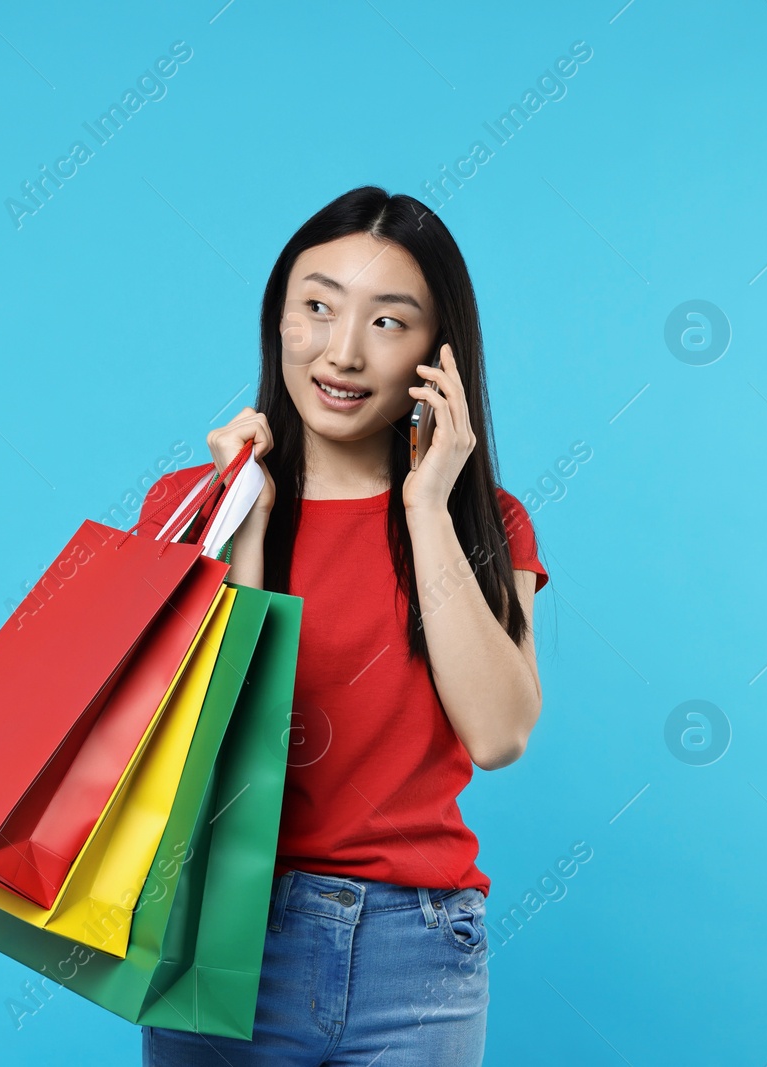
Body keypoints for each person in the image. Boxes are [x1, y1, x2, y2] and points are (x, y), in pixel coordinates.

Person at [133, 186, 549, 1066]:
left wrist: (429, 505)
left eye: (389, 322)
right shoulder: (187, 507)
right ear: (277, 318)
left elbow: (501, 731)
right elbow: (195, 741)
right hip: (221, 926)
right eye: (316, 307)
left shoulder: (486, 522)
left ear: (438, 354)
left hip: (420, 950)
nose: (343, 351)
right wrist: (242, 527)